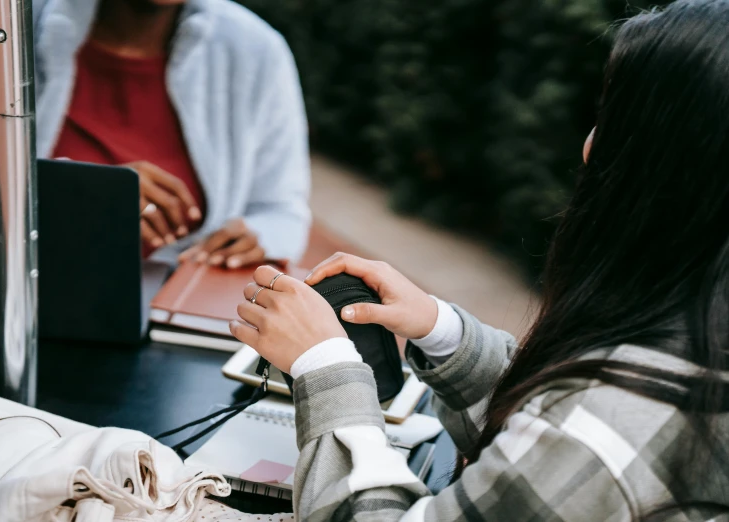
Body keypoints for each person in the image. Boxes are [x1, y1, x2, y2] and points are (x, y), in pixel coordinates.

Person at [230, 1, 729, 519]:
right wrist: (440, 330)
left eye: (617, 121)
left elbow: (570, 437)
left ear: (677, 172)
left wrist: (324, 369)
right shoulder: (692, 360)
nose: (589, 147)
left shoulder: (595, 430)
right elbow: (541, 445)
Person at [0, 0, 310, 267]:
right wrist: (75, 193)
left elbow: (282, 211)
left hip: (177, 326)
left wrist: (256, 238)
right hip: (11, 305)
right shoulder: (4, 19)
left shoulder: (257, 51)